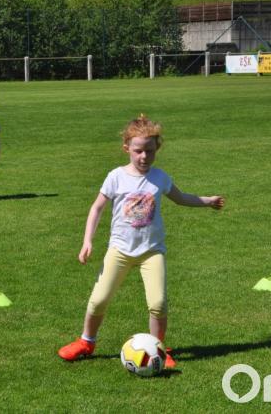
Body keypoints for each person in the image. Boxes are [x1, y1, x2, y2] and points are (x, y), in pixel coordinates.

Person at [57, 114, 225, 367]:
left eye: (150, 150)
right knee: (99, 299)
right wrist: (87, 241)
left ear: (157, 148)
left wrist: (207, 201)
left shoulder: (160, 178)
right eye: (138, 151)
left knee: (158, 303)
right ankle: (86, 342)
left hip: (151, 252)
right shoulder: (116, 176)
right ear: (127, 149)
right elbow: (97, 208)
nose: (144, 157)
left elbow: (181, 198)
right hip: (120, 251)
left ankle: (158, 349)